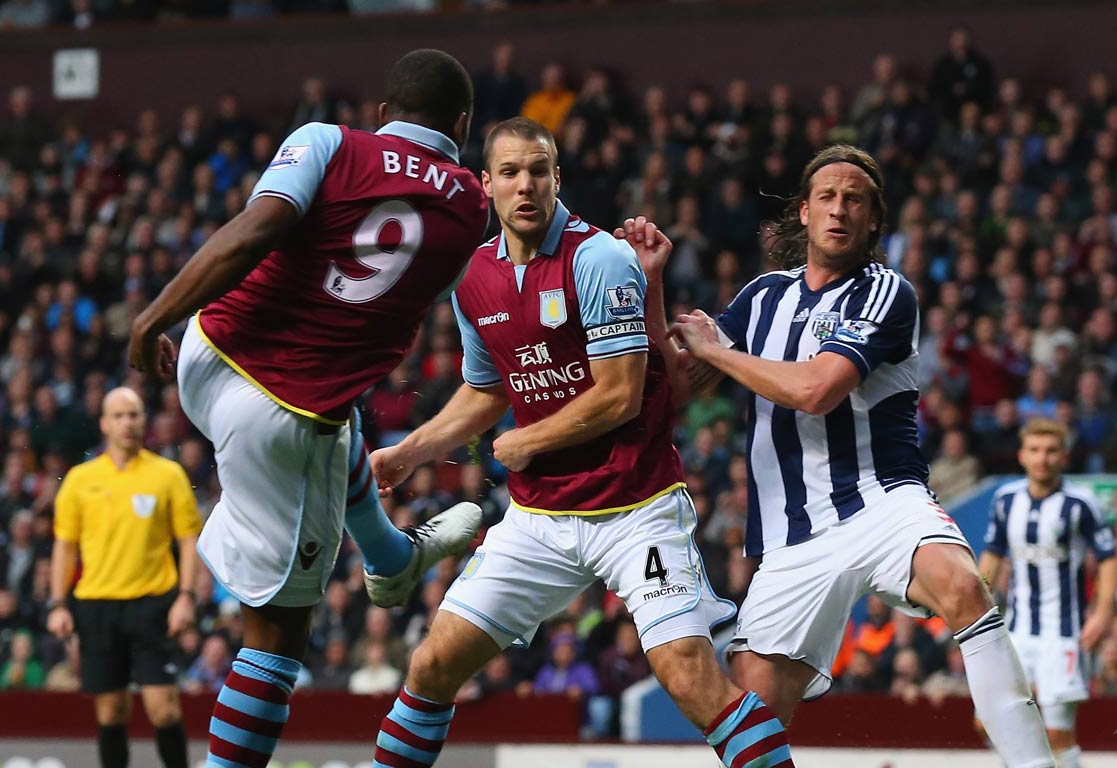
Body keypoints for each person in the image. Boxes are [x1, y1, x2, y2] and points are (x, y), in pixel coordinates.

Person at [366, 118, 793, 768]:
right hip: (538, 521)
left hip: (636, 510)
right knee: (431, 663)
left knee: (687, 677)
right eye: (510, 172)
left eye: (538, 170)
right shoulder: (474, 277)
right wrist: (409, 451)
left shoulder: (599, 258)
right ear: (486, 184)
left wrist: (526, 439)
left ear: (557, 177)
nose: (526, 184)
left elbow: (619, 393)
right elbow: (486, 390)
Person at [127, 49, 489, 767]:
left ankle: (389, 554)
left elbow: (257, 229)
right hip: (282, 419)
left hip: (205, 351)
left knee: (344, 422)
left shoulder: (328, 140)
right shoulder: (473, 203)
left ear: (384, 114)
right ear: (462, 125)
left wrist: (152, 319)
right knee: (278, 636)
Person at [662, 145, 1053, 767]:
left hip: (880, 502)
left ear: (874, 220)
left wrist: (715, 353)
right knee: (753, 727)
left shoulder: (885, 291)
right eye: (827, 197)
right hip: (791, 541)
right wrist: (650, 279)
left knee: (964, 587)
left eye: (855, 200)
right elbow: (675, 388)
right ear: (803, 212)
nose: (839, 210)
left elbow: (817, 390)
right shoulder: (762, 296)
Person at [46, 387, 201, 768]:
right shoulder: (81, 480)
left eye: (133, 414)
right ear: (104, 424)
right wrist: (58, 604)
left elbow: (188, 540)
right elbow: (65, 547)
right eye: (118, 415)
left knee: (163, 709)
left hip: (154, 604)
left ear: (144, 421)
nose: (126, 422)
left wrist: (186, 597)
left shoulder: (168, 474)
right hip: (97, 605)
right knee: (111, 712)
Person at [978, 418, 1117, 768]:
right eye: (1035, 450)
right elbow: (992, 557)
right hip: (1015, 631)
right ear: (1022, 455)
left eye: (1051, 451)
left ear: (1064, 457)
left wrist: (1102, 614)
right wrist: (977, 610)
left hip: (1063, 633)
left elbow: (1108, 559)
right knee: (989, 721)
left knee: (1057, 734)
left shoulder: (1080, 503)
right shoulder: (1006, 500)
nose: (1043, 458)